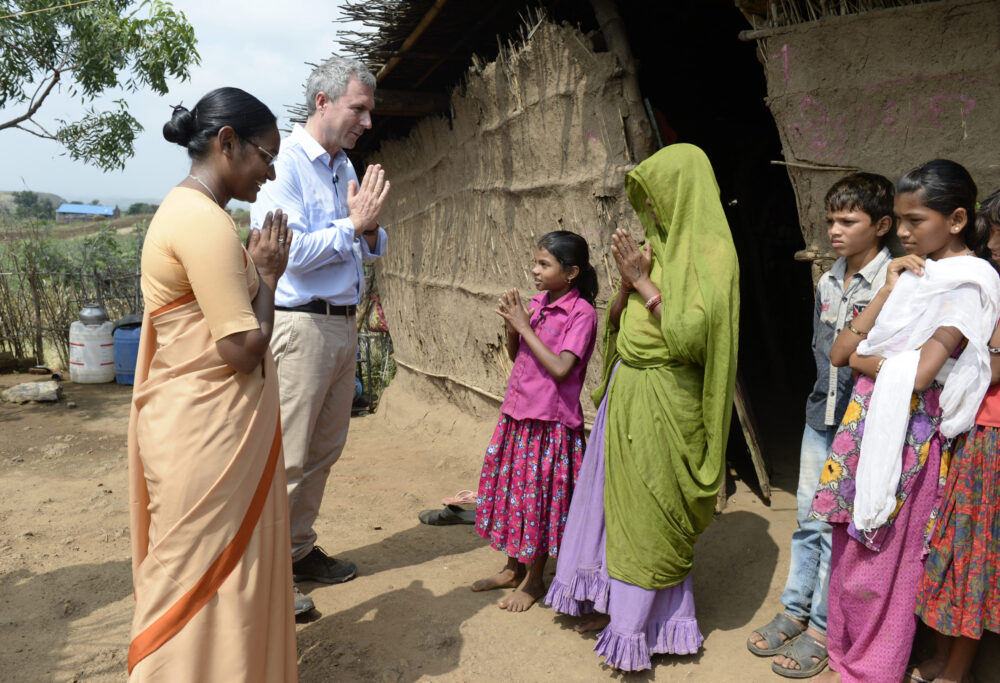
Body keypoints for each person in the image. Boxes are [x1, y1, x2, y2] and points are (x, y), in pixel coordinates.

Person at [544, 143, 740, 671]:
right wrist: (629, 290)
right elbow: (615, 322)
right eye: (645, 204)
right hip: (626, 398)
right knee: (617, 512)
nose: (650, 214)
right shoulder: (654, 248)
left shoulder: (712, 257)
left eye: (657, 201)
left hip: (667, 407)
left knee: (654, 517)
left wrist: (645, 283)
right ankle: (613, 603)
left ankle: (639, 626)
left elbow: (694, 338)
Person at [127, 88, 297, 681]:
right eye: (265, 156)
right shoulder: (203, 222)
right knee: (205, 584)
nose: (271, 172)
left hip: (206, 430)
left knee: (219, 582)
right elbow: (243, 350)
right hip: (207, 439)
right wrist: (269, 278)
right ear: (227, 143)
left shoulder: (194, 212)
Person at [809, 160, 1000, 683]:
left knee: (885, 561)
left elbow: (920, 377)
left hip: (913, 437)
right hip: (866, 425)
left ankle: (876, 668)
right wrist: (888, 290)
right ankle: (846, 653)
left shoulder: (969, 283)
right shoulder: (913, 274)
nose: (906, 231)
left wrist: (874, 362)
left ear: (957, 219)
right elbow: (842, 350)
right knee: (850, 545)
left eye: (916, 220)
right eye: (900, 219)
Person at [747, 174, 894, 678]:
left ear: (881, 226)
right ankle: (794, 609)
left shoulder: (893, 284)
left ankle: (824, 629)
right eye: (831, 220)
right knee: (808, 520)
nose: (835, 229)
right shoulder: (830, 279)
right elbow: (821, 355)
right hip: (820, 417)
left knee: (838, 527)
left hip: (863, 425)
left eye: (847, 221)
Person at [251, 56, 390, 591]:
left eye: (369, 111)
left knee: (324, 450)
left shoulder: (342, 166)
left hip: (339, 324)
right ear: (323, 102)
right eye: (359, 109)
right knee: (286, 456)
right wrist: (352, 226)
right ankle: (264, 581)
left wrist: (368, 230)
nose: (367, 122)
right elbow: (285, 254)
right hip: (299, 326)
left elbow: (368, 247)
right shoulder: (284, 164)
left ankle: (296, 551)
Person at [472, 231, 599, 612]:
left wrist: (523, 325)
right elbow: (518, 356)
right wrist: (514, 326)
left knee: (540, 502)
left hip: (550, 425)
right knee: (514, 493)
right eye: (536, 262)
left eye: (545, 264)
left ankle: (534, 579)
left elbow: (561, 368)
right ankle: (513, 568)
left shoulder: (583, 314)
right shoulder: (539, 303)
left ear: (572, 272)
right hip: (518, 415)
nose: (535, 270)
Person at [910, 189, 1000, 683]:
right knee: (953, 550)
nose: (996, 250)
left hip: (992, 437)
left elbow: (990, 365)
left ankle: (957, 668)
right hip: (972, 431)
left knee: (974, 559)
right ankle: (946, 657)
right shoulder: (985, 283)